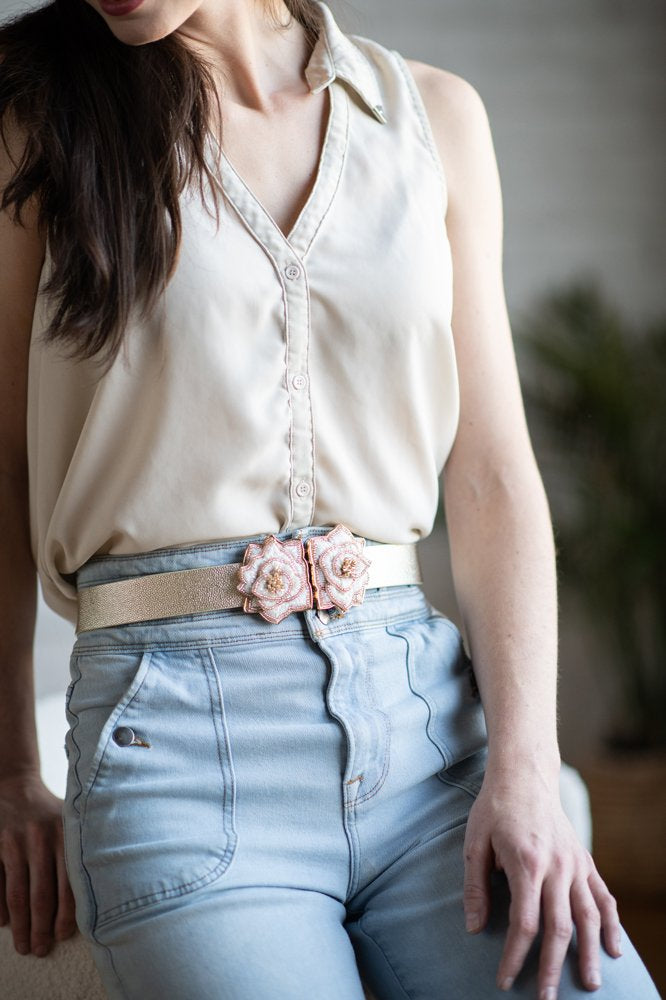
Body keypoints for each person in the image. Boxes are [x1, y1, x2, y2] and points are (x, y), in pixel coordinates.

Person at [0, 1, 660, 998]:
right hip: (176, 757)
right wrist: (10, 765)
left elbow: (489, 471)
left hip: (430, 732)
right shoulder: (35, 111)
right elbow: (1, 463)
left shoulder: (433, 116)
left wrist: (526, 766)